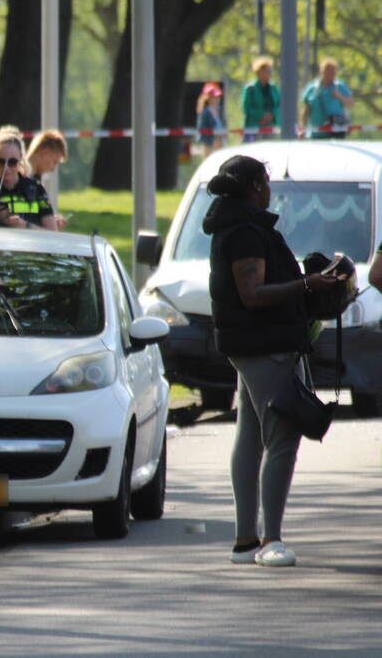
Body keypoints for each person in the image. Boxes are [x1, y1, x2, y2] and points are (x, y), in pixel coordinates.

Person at [202, 154, 339, 567]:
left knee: (249, 435)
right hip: (265, 346)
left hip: (253, 344)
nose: (270, 188)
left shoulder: (238, 225)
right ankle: (270, 541)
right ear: (254, 187)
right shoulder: (245, 231)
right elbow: (252, 293)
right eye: (265, 180)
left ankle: (246, 540)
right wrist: (306, 284)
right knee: (283, 435)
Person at [0, 125, 66, 231]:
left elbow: (52, 234)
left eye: (12, 162)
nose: (6, 168)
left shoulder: (36, 189)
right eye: (0, 162)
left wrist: (24, 225)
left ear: (20, 159)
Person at [24, 129, 70, 226]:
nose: (53, 169)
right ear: (45, 152)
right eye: (54, 162)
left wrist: (48, 219)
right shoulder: (18, 178)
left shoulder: (35, 181)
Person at [301, 58, 355, 139]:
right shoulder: (312, 88)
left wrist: (340, 96)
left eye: (333, 72)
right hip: (316, 134)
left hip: (336, 133)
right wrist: (303, 129)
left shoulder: (339, 86)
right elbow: (305, 111)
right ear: (322, 72)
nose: (332, 75)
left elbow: (351, 102)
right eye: (329, 72)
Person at [242, 57, 280, 142]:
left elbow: (278, 105)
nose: (270, 73)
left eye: (270, 71)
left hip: (270, 127)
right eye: (267, 71)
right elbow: (247, 108)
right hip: (254, 126)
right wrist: (261, 115)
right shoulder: (250, 89)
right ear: (259, 72)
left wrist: (271, 115)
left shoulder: (273, 88)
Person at [196, 82, 225, 156]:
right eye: (215, 97)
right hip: (209, 144)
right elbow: (202, 129)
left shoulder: (220, 111)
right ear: (209, 98)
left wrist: (222, 137)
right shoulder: (205, 112)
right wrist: (212, 140)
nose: (217, 99)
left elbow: (223, 125)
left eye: (218, 97)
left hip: (220, 142)